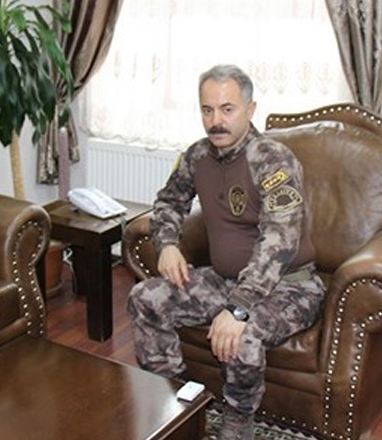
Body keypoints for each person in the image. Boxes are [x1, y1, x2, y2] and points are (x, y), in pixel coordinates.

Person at [127, 64, 326, 440]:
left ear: (250, 110)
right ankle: (175, 400)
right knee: (145, 298)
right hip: (224, 279)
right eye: (207, 110)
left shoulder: (273, 160)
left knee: (242, 335)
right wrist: (167, 244)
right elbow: (169, 202)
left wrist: (239, 308)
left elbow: (280, 240)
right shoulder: (196, 156)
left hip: (290, 287)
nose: (215, 121)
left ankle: (237, 421)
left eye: (227, 109)